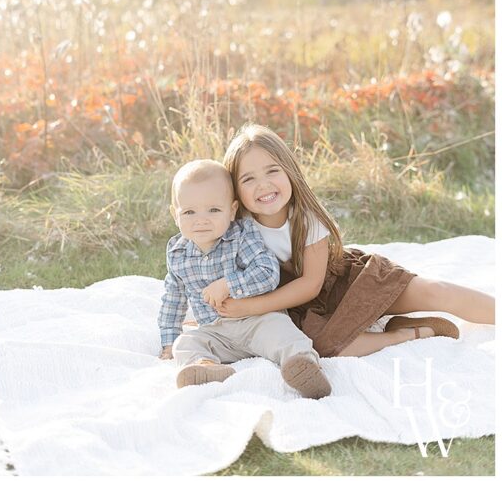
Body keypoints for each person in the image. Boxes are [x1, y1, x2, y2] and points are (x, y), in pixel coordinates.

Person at [218, 123, 495, 356]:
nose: (263, 185)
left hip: (348, 283)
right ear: (235, 190)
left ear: (289, 171)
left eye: (272, 171)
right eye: (248, 179)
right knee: (327, 347)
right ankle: (411, 333)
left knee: (436, 292)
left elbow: (311, 284)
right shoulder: (238, 232)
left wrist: (249, 306)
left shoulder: (306, 218)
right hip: (301, 309)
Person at [158, 159, 332, 398]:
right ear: (174, 214)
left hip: (257, 322)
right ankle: (206, 367)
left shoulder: (242, 235)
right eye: (189, 212)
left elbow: (267, 272)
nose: (201, 220)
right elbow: (173, 297)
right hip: (216, 331)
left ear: (232, 211)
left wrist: (229, 284)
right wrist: (168, 340)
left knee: (283, 332)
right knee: (186, 344)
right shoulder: (177, 252)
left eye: (214, 210)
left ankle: (303, 366)